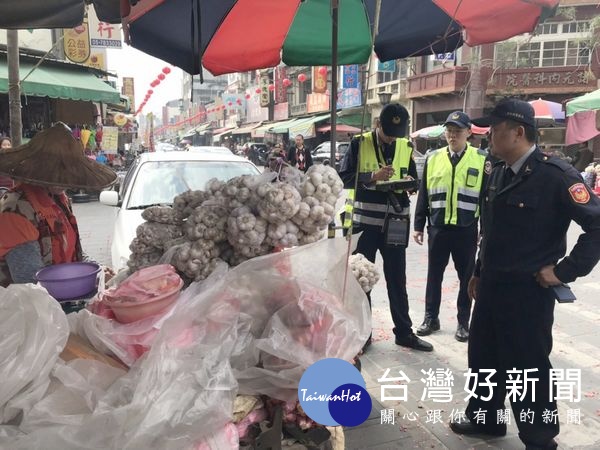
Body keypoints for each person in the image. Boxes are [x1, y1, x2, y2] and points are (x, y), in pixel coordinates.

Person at [449, 99, 600, 449]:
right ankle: (486, 420)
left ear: (518, 132)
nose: (489, 138)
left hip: (527, 292)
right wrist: (477, 271)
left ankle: (539, 438)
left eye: (495, 131)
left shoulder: (556, 175)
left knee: (526, 367)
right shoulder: (496, 170)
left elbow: (596, 224)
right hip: (490, 287)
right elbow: (490, 230)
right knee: (484, 356)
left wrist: (563, 272)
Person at [339, 103, 433, 352]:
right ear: (378, 124)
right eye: (388, 132)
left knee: (397, 279)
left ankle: (404, 332)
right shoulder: (359, 143)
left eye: (396, 134)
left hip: (395, 222)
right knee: (362, 280)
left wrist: (412, 184)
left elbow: (412, 176)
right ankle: (364, 334)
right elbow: (345, 178)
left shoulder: (404, 145)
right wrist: (372, 177)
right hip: (365, 224)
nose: (392, 138)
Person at [0, 123, 117, 287]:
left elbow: (72, 251)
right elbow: (30, 280)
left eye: (67, 171)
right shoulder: (15, 208)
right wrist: (90, 280)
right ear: (36, 168)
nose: (62, 179)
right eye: (55, 171)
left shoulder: (59, 198)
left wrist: (96, 269)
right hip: (28, 306)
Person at [413, 112, 486, 342]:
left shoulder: (481, 159)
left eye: (457, 131)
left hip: (466, 229)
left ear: (468, 133)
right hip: (438, 227)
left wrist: (485, 231)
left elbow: (485, 199)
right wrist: (418, 225)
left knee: (466, 278)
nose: (452, 135)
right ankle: (430, 318)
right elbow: (424, 194)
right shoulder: (433, 158)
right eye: (449, 131)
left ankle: (463, 322)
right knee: (434, 276)